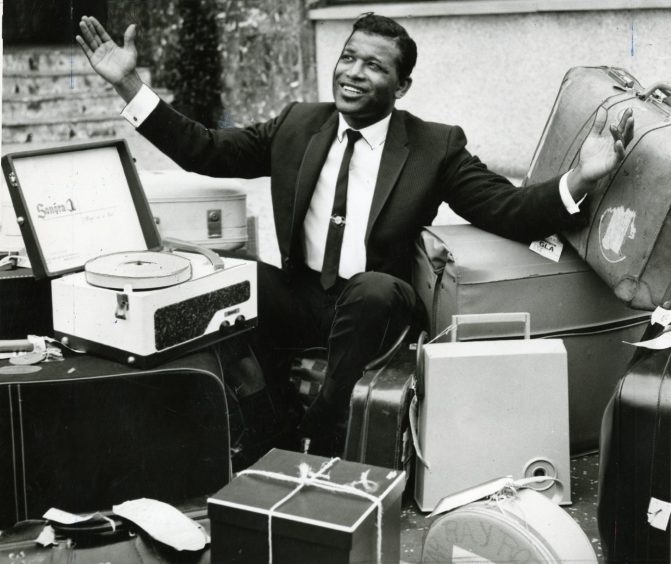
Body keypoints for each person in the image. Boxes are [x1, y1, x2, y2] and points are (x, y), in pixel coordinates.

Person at [76, 13, 633, 455]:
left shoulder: (435, 146)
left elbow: (508, 209)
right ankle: (266, 426)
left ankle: (320, 431)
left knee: (370, 289)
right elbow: (205, 149)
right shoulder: (297, 124)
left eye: (373, 65)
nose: (352, 72)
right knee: (233, 278)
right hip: (304, 296)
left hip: (377, 308)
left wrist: (582, 176)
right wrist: (129, 84)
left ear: (402, 84)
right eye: (348, 57)